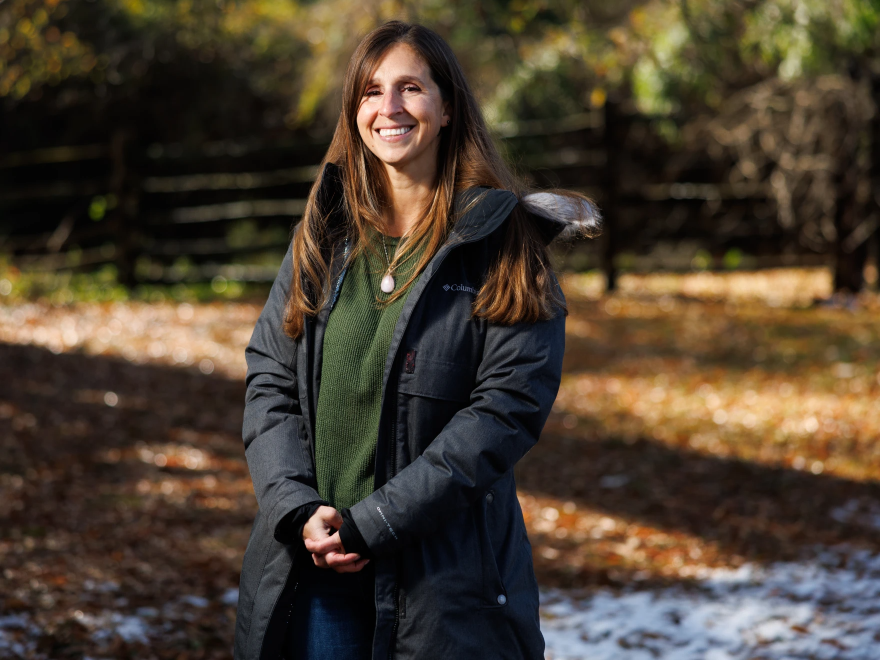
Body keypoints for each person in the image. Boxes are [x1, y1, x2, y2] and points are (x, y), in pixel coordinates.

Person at [234, 20, 601, 660]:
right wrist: (296, 509)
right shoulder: (323, 235)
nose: (389, 108)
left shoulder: (506, 246)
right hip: (314, 572)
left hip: (442, 587)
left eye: (411, 88)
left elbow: (505, 412)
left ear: (448, 105)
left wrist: (373, 525)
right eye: (371, 92)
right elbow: (270, 378)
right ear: (354, 112)